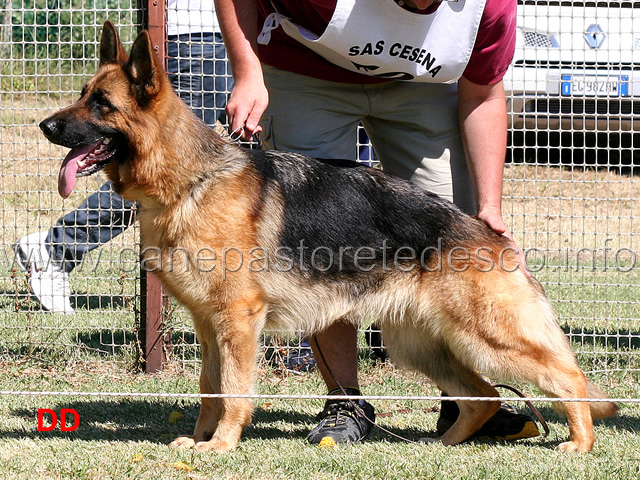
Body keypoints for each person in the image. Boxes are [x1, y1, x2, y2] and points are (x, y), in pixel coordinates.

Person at [215, 0, 539, 445]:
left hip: (421, 84)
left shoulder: (490, 6)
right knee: (318, 242)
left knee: (448, 242)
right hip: (306, 70)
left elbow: (483, 94)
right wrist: (247, 69)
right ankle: (345, 401)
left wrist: (489, 210)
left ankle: (463, 403)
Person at [14, 0, 232, 314]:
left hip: (250, 37)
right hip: (201, 33)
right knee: (156, 169)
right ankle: (55, 249)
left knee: (241, 168)